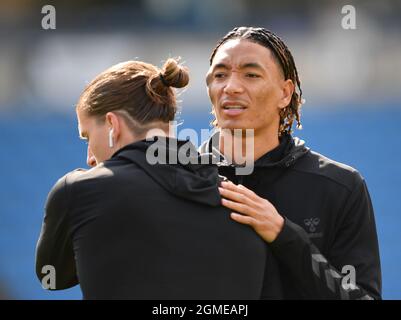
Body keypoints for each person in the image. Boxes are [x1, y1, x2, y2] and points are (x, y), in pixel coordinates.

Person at [35, 57, 282, 299]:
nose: (90, 157)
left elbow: (52, 278)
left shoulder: (81, 192)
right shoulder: (244, 205)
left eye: (88, 137)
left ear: (112, 125)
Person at [200, 26, 381, 299]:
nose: (231, 87)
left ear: (285, 93)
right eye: (220, 75)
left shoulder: (340, 187)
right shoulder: (180, 180)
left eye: (251, 74)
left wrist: (284, 235)